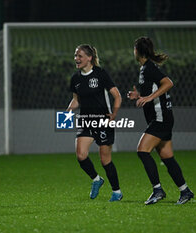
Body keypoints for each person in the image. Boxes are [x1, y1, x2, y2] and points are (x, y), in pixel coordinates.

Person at [127, 36, 194, 205]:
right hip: (160, 118)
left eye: (134, 49)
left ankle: (157, 190)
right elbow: (155, 89)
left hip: (161, 118)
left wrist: (149, 97)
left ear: (138, 51)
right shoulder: (145, 69)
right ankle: (185, 191)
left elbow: (168, 83)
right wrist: (140, 96)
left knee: (142, 151)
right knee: (167, 157)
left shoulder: (149, 67)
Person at [66, 44, 123, 202]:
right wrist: (67, 113)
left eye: (80, 56)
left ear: (89, 58)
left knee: (105, 160)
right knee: (81, 155)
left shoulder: (101, 74)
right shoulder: (75, 78)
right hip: (85, 121)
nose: (76, 59)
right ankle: (96, 179)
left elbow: (117, 96)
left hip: (103, 121)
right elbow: (76, 100)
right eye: (76, 56)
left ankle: (117, 192)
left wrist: (114, 114)